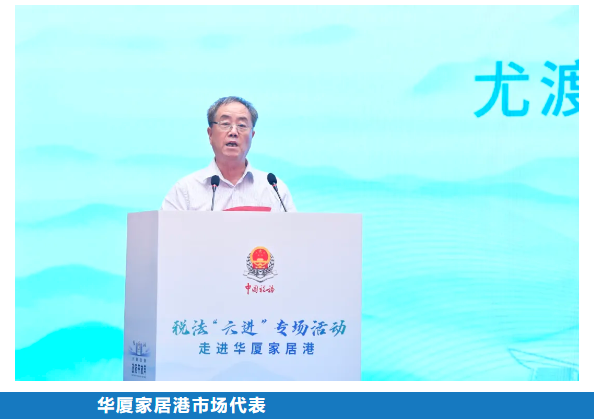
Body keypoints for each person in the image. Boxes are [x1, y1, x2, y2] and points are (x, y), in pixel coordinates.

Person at [161, 96, 297, 212]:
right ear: (210, 134)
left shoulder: (274, 189)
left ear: (252, 136)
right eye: (225, 124)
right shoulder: (185, 191)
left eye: (242, 125)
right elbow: (165, 232)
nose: (233, 132)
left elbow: (293, 232)